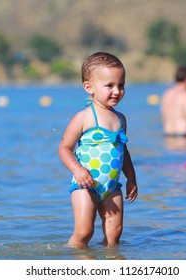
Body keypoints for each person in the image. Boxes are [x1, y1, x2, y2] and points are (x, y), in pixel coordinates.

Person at [58, 52, 138, 248]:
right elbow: (64, 148)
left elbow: (123, 151)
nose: (117, 91)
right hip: (86, 185)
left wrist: (131, 178)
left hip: (112, 187)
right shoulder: (84, 117)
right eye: (109, 85)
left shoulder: (120, 118)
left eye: (121, 85)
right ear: (89, 87)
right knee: (84, 232)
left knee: (114, 235)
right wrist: (78, 170)